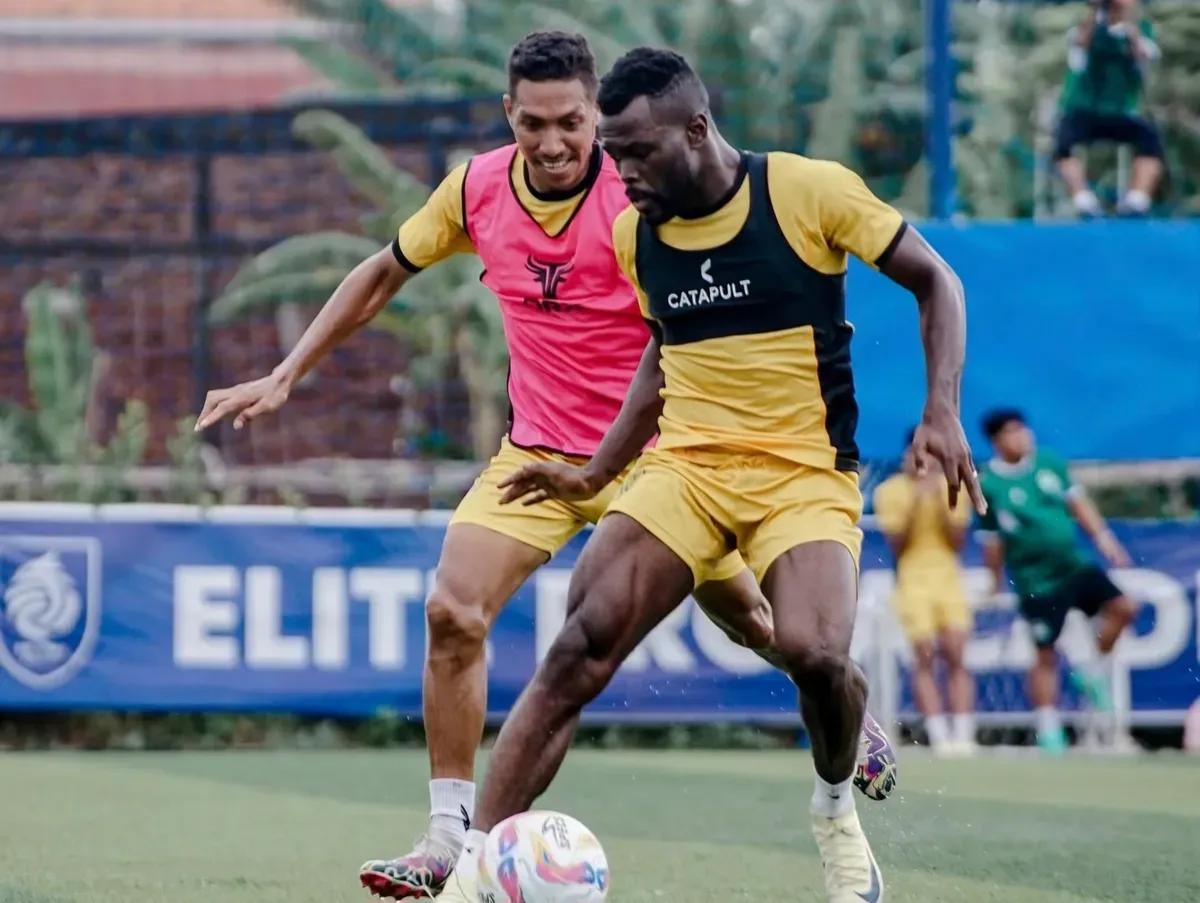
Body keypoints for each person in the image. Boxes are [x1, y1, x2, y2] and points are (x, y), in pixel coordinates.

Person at [193, 32, 897, 901]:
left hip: (658, 455)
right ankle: (450, 840)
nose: (556, 143)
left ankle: (847, 714)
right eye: (534, 124)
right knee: (452, 609)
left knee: (762, 626)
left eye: (573, 123)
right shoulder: (478, 186)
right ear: (508, 116)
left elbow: (698, 322)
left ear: (597, 114)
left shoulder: (643, 192)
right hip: (537, 451)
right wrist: (285, 371)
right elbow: (383, 271)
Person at [438, 47, 983, 903]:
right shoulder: (637, 230)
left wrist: (942, 410)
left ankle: (836, 811)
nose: (620, 172)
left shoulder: (806, 192)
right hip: (687, 469)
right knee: (580, 645)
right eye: (613, 155)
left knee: (815, 653)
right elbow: (661, 356)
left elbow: (936, 282)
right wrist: (594, 475)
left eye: (637, 152)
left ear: (697, 129)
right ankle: (470, 877)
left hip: (803, 474)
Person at [977, 408, 1137, 755]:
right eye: (1013, 432)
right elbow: (992, 542)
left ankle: (1091, 670)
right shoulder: (989, 484)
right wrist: (993, 580)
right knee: (1045, 654)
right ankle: (1049, 731)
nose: (1023, 437)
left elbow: (1078, 505)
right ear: (996, 440)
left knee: (1125, 608)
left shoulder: (1049, 463)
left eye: (1024, 430)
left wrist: (1105, 539)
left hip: (1073, 566)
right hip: (1037, 579)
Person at [873, 428, 977, 757]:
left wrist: (940, 497)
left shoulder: (954, 486)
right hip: (912, 577)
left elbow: (957, 540)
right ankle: (938, 733)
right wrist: (917, 498)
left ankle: (963, 731)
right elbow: (897, 545)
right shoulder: (889, 491)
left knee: (956, 651)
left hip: (948, 576)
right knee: (925, 653)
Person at [1053, 0, 1163, 218]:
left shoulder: (1142, 33)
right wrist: (1096, 11)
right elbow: (1081, 44)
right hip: (1084, 110)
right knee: (1062, 142)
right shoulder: (1086, 30)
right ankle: (1083, 200)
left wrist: (1129, 26)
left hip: (1119, 113)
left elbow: (1143, 54)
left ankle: (1137, 200)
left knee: (1150, 138)